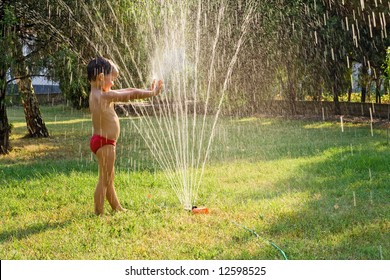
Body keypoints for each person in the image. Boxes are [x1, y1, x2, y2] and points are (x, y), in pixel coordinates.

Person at [87, 56, 163, 215]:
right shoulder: (103, 96)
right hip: (105, 143)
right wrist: (152, 92)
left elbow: (126, 91)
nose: (113, 84)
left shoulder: (97, 93)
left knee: (109, 178)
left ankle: (117, 207)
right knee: (104, 180)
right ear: (101, 78)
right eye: (111, 79)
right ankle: (98, 212)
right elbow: (130, 93)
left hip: (101, 141)